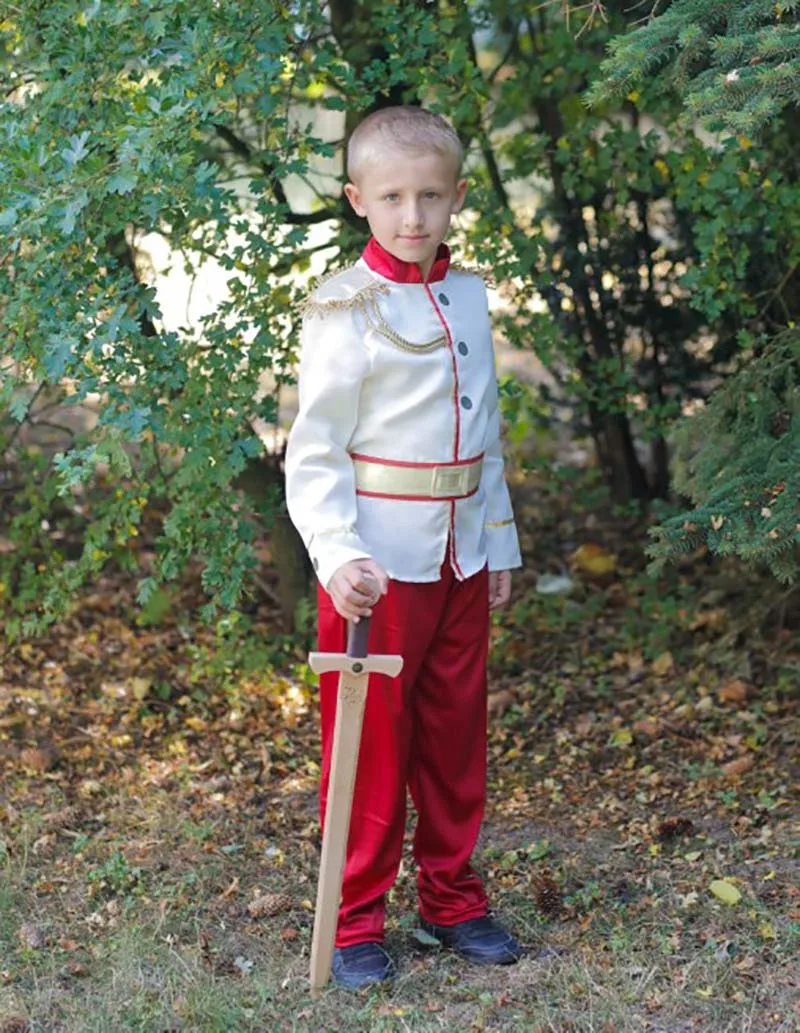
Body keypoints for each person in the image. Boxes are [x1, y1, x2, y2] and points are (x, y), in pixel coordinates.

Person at [285, 105, 523, 990]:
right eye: (392, 197)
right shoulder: (342, 307)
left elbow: (483, 433)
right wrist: (336, 554)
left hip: (460, 555)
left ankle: (451, 900)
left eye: (430, 196)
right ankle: (355, 920)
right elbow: (314, 452)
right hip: (375, 568)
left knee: (455, 739)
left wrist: (497, 543)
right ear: (358, 199)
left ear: (457, 196)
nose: (412, 215)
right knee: (372, 751)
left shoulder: (470, 296)